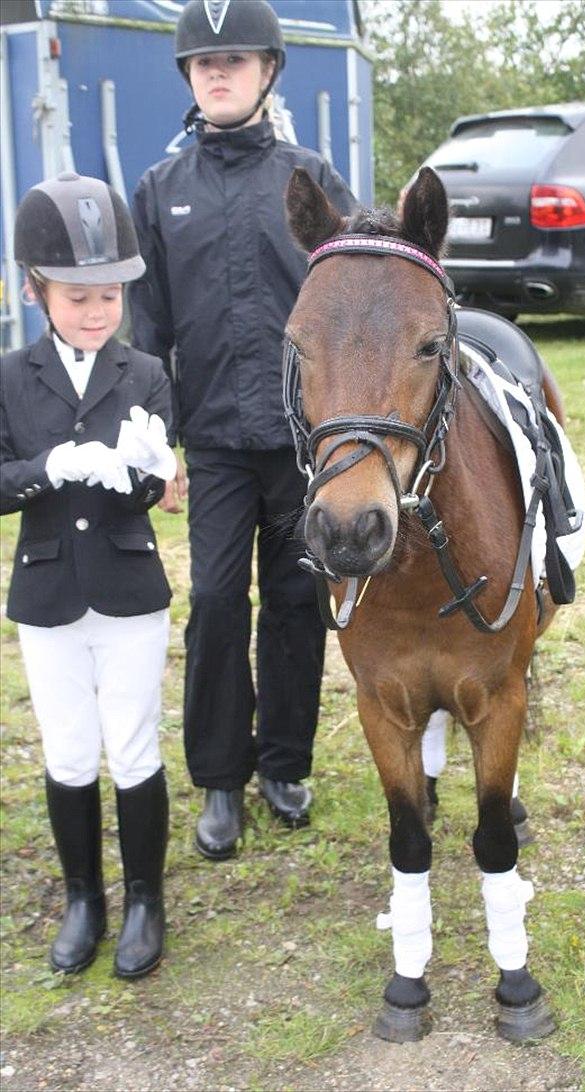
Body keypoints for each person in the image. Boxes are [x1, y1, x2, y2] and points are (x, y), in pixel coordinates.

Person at [128, 0, 357, 859]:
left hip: (301, 440)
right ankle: (220, 778)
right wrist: (158, 445)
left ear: (268, 71)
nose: (217, 73)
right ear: (189, 78)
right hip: (216, 443)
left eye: (234, 61)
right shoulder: (160, 192)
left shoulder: (310, 177)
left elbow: (354, 295)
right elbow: (147, 329)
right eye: (203, 63)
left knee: (298, 598)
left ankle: (284, 763)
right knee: (218, 601)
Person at [1, 172, 178, 978]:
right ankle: (83, 898)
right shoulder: (10, 376)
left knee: (134, 745)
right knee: (70, 750)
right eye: (77, 297)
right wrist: (50, 466)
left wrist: (148, 468)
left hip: (128, 589)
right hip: (47, 591)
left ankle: (144, 899)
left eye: (110, 295)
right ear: (34, 291)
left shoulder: (144, 374)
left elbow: (149, 485)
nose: (98, 312)